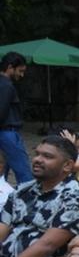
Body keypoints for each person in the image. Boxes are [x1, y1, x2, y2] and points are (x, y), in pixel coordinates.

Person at [0, 52, 31, 183]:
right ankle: (29, 200)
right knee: (24, 173)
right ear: (10, 67)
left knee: (2, 172)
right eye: (20, 71)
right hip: (8, 134)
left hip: (5, 133)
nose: (21, 75)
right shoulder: (6, 85)